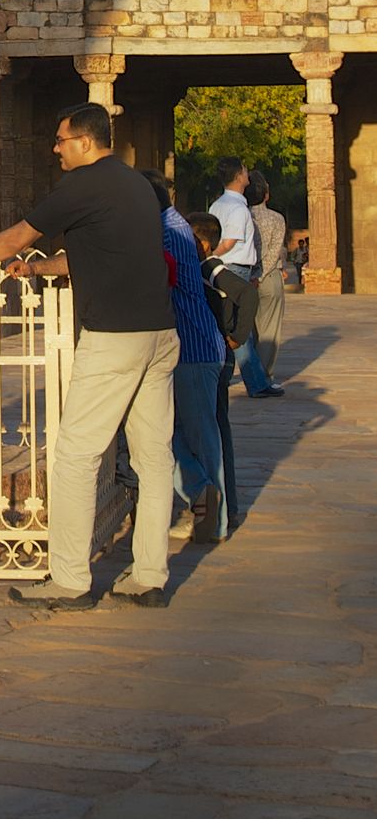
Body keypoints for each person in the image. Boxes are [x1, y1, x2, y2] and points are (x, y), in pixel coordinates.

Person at [0, 102, 179, 611]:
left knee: (75, 457)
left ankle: (70, 579)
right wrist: (38, 271)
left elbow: (18, 235)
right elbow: (96, 252)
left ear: (83, 141)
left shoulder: (82, 185)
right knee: (153, 457)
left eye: (60, 140)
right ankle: (149, 575)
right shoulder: (134, 185)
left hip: (115, 337)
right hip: (159, 334)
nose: (54, 149)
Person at [140, 170, 227, 542]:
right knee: (172, 434)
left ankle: (211, 514)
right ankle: (203, 501)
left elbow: (156, 280)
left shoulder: (171, 231)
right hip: (189, 349)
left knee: (198, 436)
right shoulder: (169, 226)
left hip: (193, 348)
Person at [189, 214, 260, 531]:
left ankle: (222, 507)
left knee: (214, 433)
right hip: (218, 350)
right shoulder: (204, 269)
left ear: (202, 243)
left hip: (217, 352)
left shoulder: (210, 268)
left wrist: (239, 335)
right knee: (219, 431)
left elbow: (247, 294)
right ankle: (225, 506)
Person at [208, 157, 283, 398]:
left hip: (223, 268)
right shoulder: (239, 209)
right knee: (241, 330)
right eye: (244, 169)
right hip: (236, 268)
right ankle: (256, 382)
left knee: (228, 325)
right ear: (239, 176)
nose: (247, 172)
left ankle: (225, 376)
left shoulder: (217, 205)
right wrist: (209, 255)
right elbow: (228, 241)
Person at [246, 170, 287, 379]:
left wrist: (252, 274)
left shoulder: (242, 216)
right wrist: (260, 275)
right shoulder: (276, 218)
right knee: (269, 330)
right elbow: (273, 251)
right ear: (266, 194)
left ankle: (252, 375)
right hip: (268, 278)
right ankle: (262, 377)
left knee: (248, 331)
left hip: (244, 277)